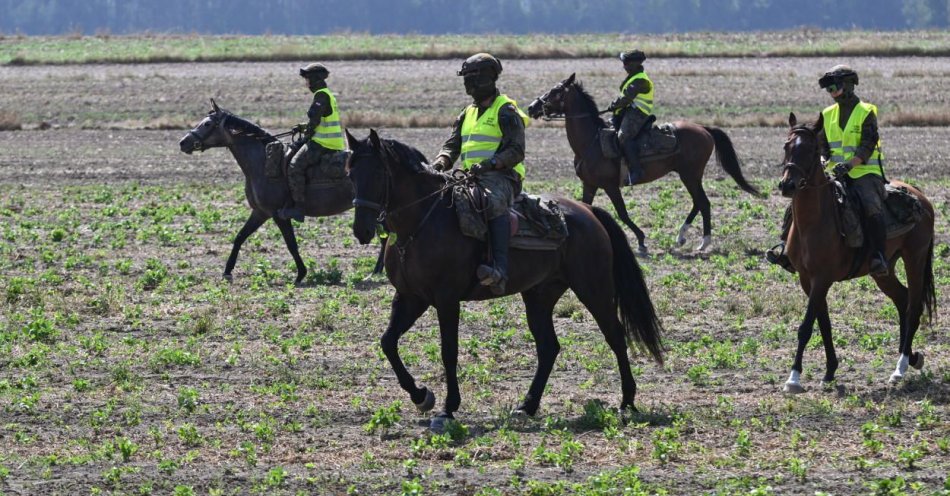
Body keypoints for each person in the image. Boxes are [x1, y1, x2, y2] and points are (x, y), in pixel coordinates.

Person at [767, 64, 889, 276]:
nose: (832, 92)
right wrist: (824, 160)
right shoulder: (827, 114)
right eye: (829, 89)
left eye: (835, 87)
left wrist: (850, 165)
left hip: (864, 173)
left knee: (871, 206)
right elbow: (823, 146)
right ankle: (786, 250)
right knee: (796, 203)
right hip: (834, 174)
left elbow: (867, 145)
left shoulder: (866, 112)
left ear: (849, 85)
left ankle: (878, 256)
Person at [431, 53, 529, 295]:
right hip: (469, 175)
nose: (469, 84)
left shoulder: (506, 110)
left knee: (491, 203)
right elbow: (452, 145)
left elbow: (516, 150)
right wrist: (440, 163)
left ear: (489, 79)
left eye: (474, 79)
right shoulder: (466, 113)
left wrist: (492, 163)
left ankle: (500, 270)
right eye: (467, 79)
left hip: (502, 177)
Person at [277, 63, 346, 222]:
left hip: (323, 143)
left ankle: (299, 208)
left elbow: (314, 123)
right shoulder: (327, 94)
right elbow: (319, 120)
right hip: (332, 142)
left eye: (307, 79)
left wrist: (303, 139)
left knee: (294, 166)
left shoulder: (321, 96)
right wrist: (302, 127)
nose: (306, 83)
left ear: (315, 80)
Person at [607, 49, 654, 185]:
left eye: (626, 63)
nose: (624, 66)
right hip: (630, 111)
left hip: (638, 113)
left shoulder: (640, 80)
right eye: (624, 62)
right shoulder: (634, 76)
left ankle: (637, 171)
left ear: (635, 64)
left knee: (623, 137)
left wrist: (613, 105)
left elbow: (626, 98)